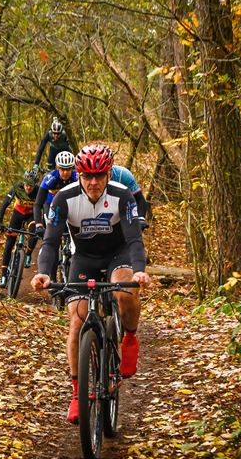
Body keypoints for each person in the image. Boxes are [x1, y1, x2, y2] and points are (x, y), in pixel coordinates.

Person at [30, 144, 151, 425]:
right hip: (83, 258)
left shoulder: (123, 196)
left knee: (124, 290)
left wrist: (140, 271)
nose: (93, 182)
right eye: (87, 176)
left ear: (109, 174)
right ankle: (77, 393)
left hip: (118, 255)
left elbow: (134, 239)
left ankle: (129, 337)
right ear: (78, 174)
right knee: (77, 320)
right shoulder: (64, 198)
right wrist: (44, 273)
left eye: (99, 175)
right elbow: (49, 241)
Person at [0, 169, 40, 288]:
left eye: (31, 185)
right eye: (26, 184)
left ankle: (29, 254)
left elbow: (43, 207)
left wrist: (43, 224)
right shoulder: (17, 187)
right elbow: (5, 204)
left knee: (34, 232)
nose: (28, 188)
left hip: (31, 215)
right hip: (18, 214)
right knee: (9, 243)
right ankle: (4, 275)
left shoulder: (39, 191)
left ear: (35, 184)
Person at [33, 151, 77, 232]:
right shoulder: (49, 178)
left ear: (72, 168)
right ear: (57, 167)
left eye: (68, 169)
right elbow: (38, 204)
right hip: (50, 204)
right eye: (62, 169)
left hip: (69, 204)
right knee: (51, 229)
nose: (65, 172)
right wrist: (38, 224)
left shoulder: (76, 178)